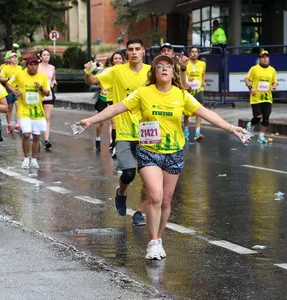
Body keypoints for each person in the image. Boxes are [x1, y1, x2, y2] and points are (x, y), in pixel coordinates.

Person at [76, 54, 246, 260]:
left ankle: (159, 238)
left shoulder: (181, 95)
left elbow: (205, 112)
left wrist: (230, 128)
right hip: (149, 151)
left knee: (165, 200)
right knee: (154, 195)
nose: (164, 69)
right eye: (160, 66)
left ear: (173, 72)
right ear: (154, 71)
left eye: (168, 66)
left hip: (174, 152)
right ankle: (153, 242)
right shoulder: (143, 93)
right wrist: (91, 120)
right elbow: (116, 107)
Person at [84, 37, 150, 226]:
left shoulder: (150, 72)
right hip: (124, 131)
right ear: (126, 53)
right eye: (131, 49)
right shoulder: (116, 71)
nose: (135, 52)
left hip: (149, 132)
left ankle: (140, 211)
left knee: (148, 177)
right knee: (129, 173)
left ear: (143, 51)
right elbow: (93, 80)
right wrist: (88, 71)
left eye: (138, 48)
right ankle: (121, 192)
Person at [5, 55, 50, 169]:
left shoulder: (43, 77)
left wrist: (40, 88)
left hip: (37, 111)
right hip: (24, 109)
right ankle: (26, 159)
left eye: (35, 65)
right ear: (27, 65)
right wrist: (14, 91)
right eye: (31, 64)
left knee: (36, 136)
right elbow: (8, 84)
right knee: (26, 134)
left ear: (38, 66)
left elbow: (47, 93)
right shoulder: (20, 74)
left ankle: (34, 160)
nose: (33, 67)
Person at [245, 50, 277, 144]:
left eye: (266, 57)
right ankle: (251, 124)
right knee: (258, 117)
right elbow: (247, 79)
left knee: (266, 118)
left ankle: (261, 136)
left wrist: (274, 86)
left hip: (267, 98)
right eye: (263, 57)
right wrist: (250, 88)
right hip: (256, 98)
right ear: (260, 59)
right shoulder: (254, 69)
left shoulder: (272, 70)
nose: (265, 59)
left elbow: (274, 82)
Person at [183, 46, 206, 141]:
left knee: (199, 112)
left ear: (198, 54)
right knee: (186, 112)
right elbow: (182, 76)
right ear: (189, 53)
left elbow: (203, 74)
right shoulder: (185, 63)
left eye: (196, 52)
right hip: (188, 90)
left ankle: (197, 132)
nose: (194, 53)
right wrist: (187, 80)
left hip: (199, 90)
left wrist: (203, 81)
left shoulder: (202, 64)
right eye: (192, 52)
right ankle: (186, 130)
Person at [106, 50, 126, 157]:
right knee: (114, 124)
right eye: (115, 58)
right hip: (111, 98)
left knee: (122, 123)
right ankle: (114, 145)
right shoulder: (109, 71)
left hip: (123, 100)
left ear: (122, 60)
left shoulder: (126, 71)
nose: (118, 60)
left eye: (119, 58)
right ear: (112, 61)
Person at [37, 48, 57, 150]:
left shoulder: (52, 67)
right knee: (38, 116)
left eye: (48, 55)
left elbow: (53, 79)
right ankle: (36, 137)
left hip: (49, 93)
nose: (46, 57)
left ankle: (46, 140)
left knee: (47, 117)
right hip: (38, 93)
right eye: (44, 55)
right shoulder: (37, 67)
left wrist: (53, 83)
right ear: (40, 57)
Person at [0, 52, 23, 132]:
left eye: (16, 57)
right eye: (13, 57)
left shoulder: (19, 68)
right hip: (8, 89)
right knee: (9, 108)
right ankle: (9, 124)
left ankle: (17, 124)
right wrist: (8, 79)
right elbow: (1, 78)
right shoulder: (5, 68)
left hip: (17, 90)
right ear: (9, 59)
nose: (15, 59)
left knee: (18, 106)